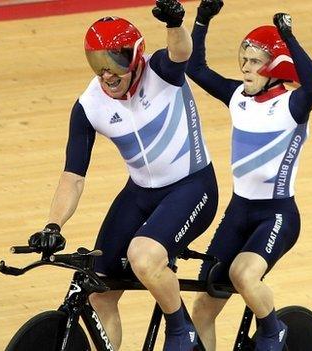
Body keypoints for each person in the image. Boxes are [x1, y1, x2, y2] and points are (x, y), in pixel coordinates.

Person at [27, 1, 218, 350]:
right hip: (140, 195)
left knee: (143, 257)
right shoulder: (89, 106)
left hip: (192, 188)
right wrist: (52, 226)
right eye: (97, 64)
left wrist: (175, 23)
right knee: (100, 292)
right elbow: (73, 175)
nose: (107, 74)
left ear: (135, 56)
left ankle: (180, 330)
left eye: (115, 62)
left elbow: (181, 51)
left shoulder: (160, 70)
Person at [185, 1, 312, 350]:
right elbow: (195, 67)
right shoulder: (236, 96)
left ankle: (273, 330)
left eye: (255, 62)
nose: (246, 67)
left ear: (276, 66)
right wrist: (202, 21)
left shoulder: (293, 105)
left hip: (276, 215)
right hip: (238, 213)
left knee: (243, 274)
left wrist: (288, 36)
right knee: (203, 305)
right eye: (243, 59)